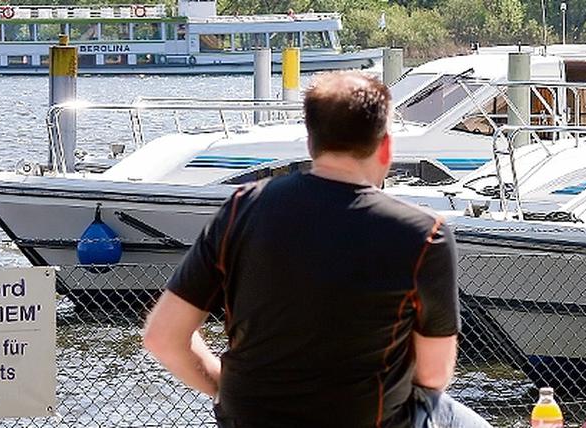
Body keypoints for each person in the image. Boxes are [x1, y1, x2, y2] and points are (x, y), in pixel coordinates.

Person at [143, 71, 491, 428]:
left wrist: (224, 387)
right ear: (385, 146)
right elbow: (433, 376)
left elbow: (163, 336)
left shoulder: (242, 208)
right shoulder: (423, 234)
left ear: (311, 143)